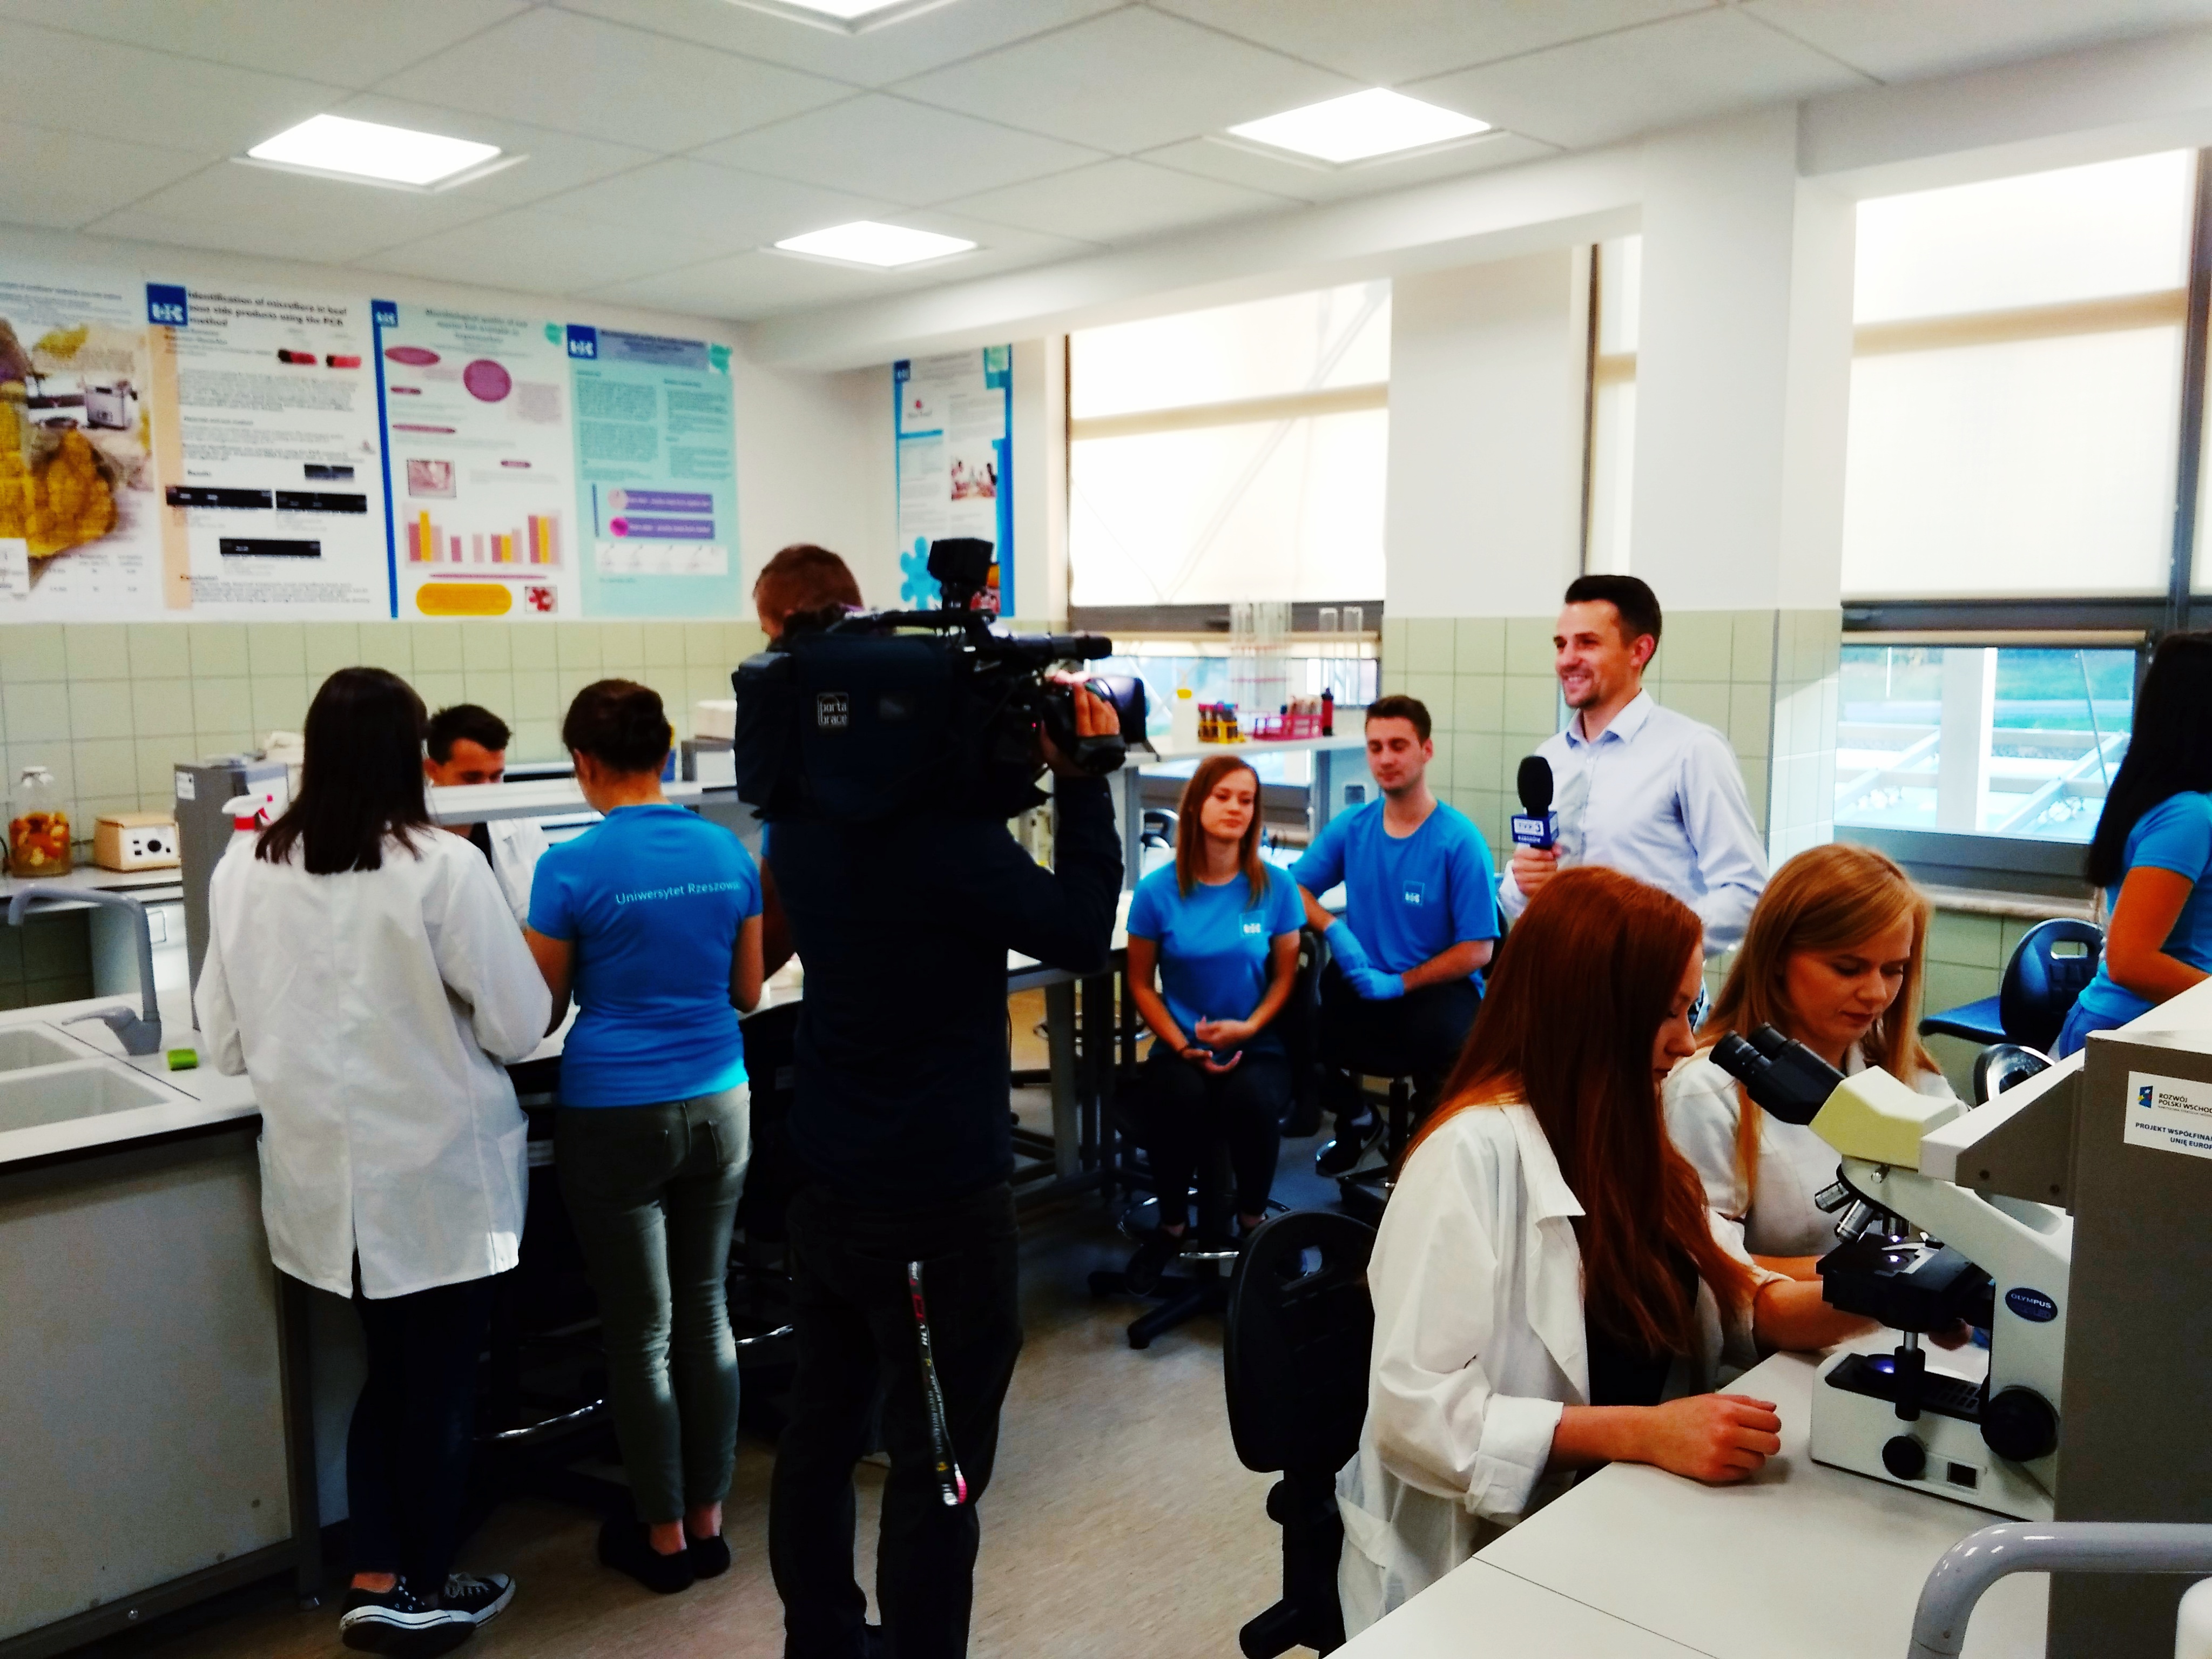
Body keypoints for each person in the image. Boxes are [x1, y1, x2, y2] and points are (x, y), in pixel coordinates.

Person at [1335, 866, 1872, 1636]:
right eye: (1661, 1015)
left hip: (1619, 1512)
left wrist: (1882, 1297)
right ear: (1587, 1012)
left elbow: (1736, 1298)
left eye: (1689, 1008)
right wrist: (1646, 1432)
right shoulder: (1469, 1156)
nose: (1685, 1042)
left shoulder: (1629, 1134)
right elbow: (1417, 1419)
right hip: (1475, 1566)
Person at [763, 680, 1123, 1659]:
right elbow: (1081, 930)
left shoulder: (800, 823)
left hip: (826, 1181)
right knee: (939, 1464)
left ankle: (823, 1641)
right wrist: (1082, 778)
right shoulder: (951, 845)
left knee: (821, 1433)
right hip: (934, 1207)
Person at [195, 667, 549, 1656]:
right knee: (439, 1383)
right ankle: (424, 1589)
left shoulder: (244, 867)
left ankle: (378, 1574)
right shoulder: (443, 865)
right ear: (411, 755)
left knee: (391, 1372)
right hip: (442, 1181)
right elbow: (519, 1025)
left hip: (326, 1187)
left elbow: (224, 1042)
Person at [523, 680, 764, 1595]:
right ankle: (710, 1522)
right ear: (666, 753)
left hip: (616, 1108)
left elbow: (539, 1011)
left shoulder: (569, 866)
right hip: (721, 1099)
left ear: (583, 762)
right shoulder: (727, 849)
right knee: (708, 1311)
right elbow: (747, 993)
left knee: (640, 1333)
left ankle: (662, 1537)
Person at [1664, 843, 1955, 1276]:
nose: (1876, 993)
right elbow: (1704, 1268)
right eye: (1848, 969)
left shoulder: (1906, 1074)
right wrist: (1874, 1280)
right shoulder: (1707, 1091)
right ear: (1778, 958)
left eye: (1893, 970)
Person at [1499, 575, 1768, 953]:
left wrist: (1640, 947)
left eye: (1587, 643)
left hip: (1651, 982)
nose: (1567, 660)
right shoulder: (1550, 758)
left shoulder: (1691, 751)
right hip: (1561, 976)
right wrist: (1521, 881)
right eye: (1561, 644)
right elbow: (1521, 896)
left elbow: (1746, 894)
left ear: (1639, 651)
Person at [1291, 694, 1498, 1175]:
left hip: (1437, 988)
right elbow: (1292, 889)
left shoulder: (1458, 840)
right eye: (1376, 747)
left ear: (1426, 750)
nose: (1385, 758)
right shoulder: (1354, 828)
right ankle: (1359, 1119)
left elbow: (1478, 949)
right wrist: (1333, 929)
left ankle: (1422, 1166)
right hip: (1364, 981)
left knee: (1450, 1064)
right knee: (1290, 1030)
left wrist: (1401, 983)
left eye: (1398, 746)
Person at [1122, 754, 1304, 1289]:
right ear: (1196, 804)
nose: (1235, 808)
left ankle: (1254, 1225)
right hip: (1180, 1046)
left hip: (1257, 1046)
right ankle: (1172, 1227)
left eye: (1246, 800)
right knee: (1179, 1099)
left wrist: (1249, 1028)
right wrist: (1182, 1045)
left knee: (1250, 1101)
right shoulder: (1157, 891)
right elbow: (1140, 983)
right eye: (1223, 796)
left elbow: (1285, 978)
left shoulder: (1275, 887)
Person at [2059, 632, 2212, 1056]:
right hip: (2133, 1031)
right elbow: (2130, 960)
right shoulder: (2187, 815)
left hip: (2153, 1027)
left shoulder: (2174, 800)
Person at [423, 702, 548, 928]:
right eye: (472, 778)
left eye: (496, 776)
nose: (487, 790)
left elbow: (544, 914)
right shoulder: (408, 835)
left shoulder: (520, 824)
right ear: (433, 770)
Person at [754, 541, 863, 641]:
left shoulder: (791, 653)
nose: (771, 644)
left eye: (772, 636)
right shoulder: (871, 639)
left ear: (792, 624)